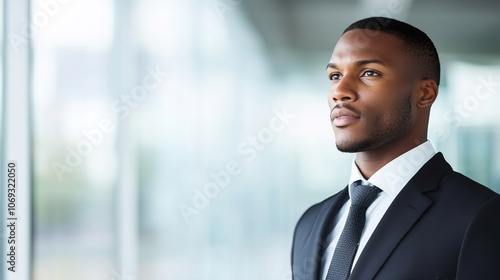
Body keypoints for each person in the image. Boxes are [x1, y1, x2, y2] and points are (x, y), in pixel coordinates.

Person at [291, 17, 500, 280]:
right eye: (335, 76)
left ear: (425, 93)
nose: (339, 91)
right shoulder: (309, 223)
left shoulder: (480, 216)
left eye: (369, 73)